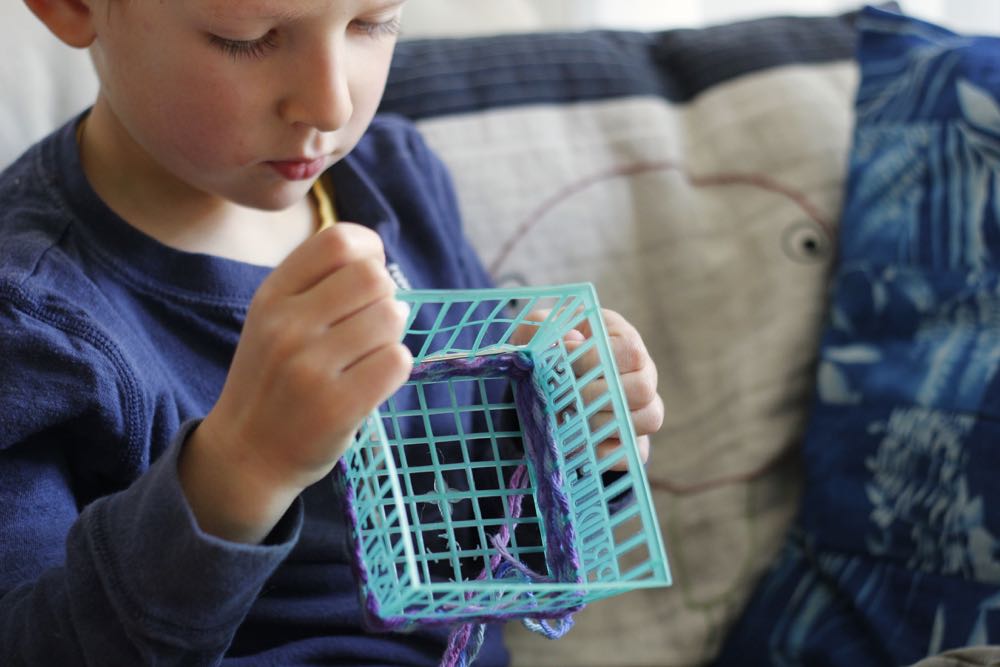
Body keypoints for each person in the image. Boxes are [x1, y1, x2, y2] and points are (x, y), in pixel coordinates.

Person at [0, 0, 664, 665]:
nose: (330, 104)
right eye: (249, 38)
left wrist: (576, 445)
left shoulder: (396, 181)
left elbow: (490, 542)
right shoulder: (29, 313)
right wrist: (239, 470)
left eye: (372, 22)